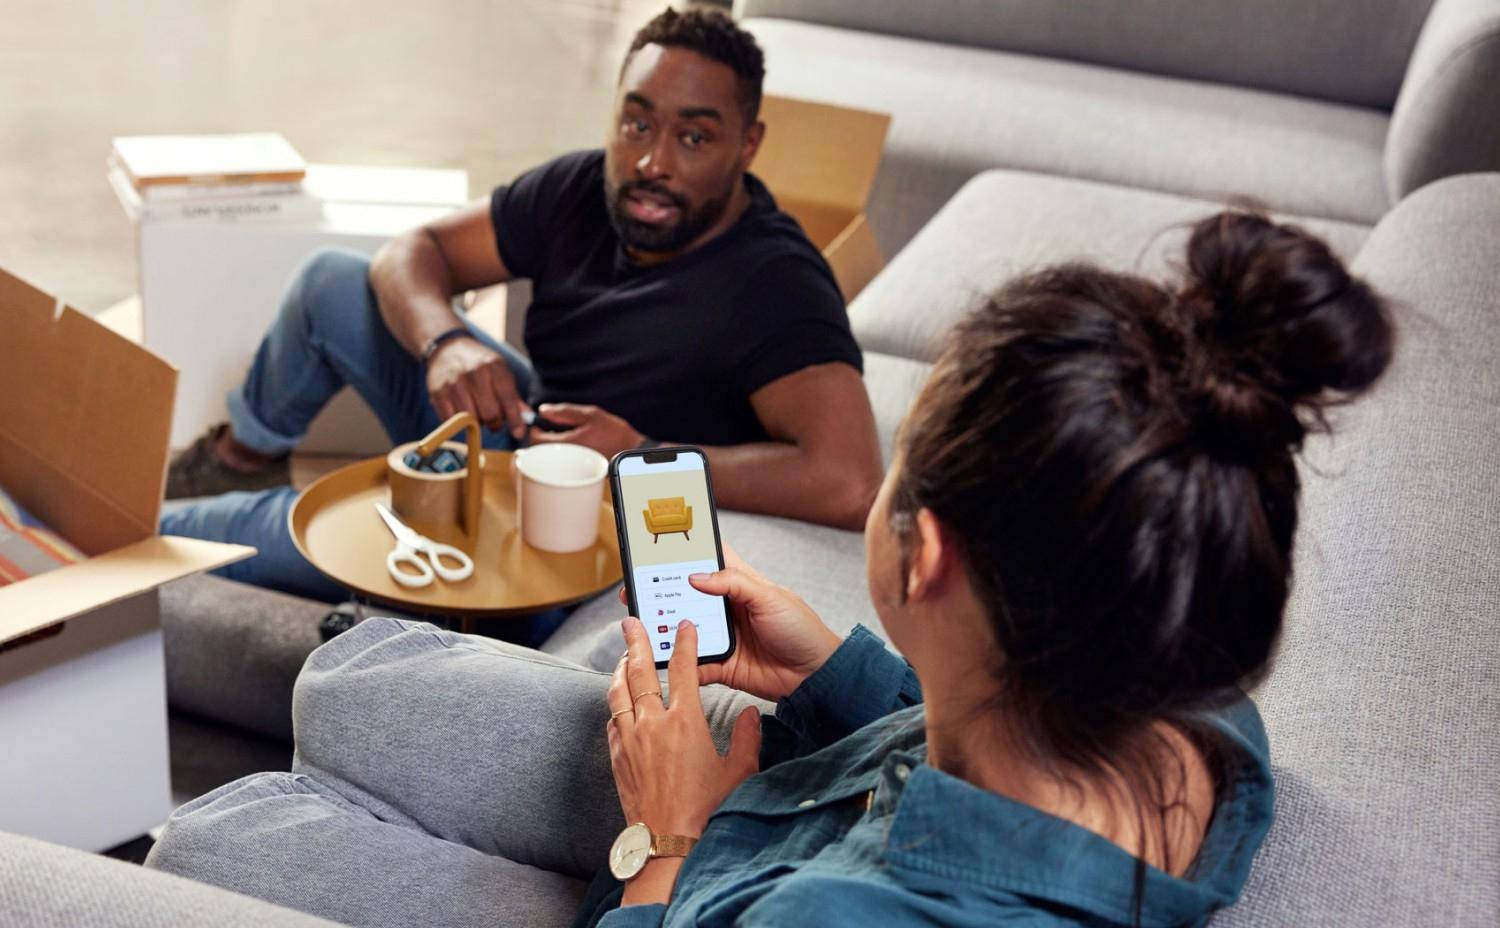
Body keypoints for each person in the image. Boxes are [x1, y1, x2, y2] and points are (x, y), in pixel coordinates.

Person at [145, 210, 1394, 926]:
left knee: (216, 847)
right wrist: (846, 674)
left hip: (694, 881)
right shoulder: (1194, 705)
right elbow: (1025, 737)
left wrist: (669, 836)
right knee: (351, 690)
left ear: (931, 548)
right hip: (799, 808)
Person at [161, 8, 883, 608]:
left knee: (239, 533)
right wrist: (446, 341)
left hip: (585, 528)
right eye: (637, 125)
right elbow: (412, 250)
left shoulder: (777, 283)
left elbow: (849, 481)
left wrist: (637, 460)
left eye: (693, 137)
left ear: (747, 145)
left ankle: (154, 533)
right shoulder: (584, 190)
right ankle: (240, 458)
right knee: (334, 282)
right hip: (523, 430)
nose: (652, 162)